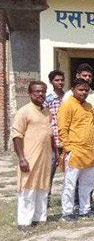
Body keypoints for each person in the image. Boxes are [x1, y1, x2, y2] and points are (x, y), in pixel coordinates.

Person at [13, 81, 56, 230]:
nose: (40, 94)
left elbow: (50, 134)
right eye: (37, 91)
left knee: (42, 187)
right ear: (29, 93)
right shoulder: (24, 111)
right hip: (29, 157)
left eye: (43, 91)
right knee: (28, 188)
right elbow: (17, 136)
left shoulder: (47, 111)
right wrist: (21, 158)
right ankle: (24, 222)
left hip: (45, 157)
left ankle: (39, 218)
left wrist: (55, 153)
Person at [58, 78, 94, 221]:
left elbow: (93, 126)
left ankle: (84, 210)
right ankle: (67, 212)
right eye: (80, 89)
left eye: (86, 90)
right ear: (73, 90)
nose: (83, 92)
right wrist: (68, 148)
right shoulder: (67, 105)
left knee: (87, 184)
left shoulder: (89, 106)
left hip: (90, 151)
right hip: (75, 151)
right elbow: (62, 129)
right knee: (70, 184)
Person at [45, 70, 65, 188]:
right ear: (51, 82)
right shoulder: (48, 99)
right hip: (53, 139)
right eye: (57, 80)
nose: (60, 82)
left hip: (67, 139)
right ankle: (46, 195)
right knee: (50, 169)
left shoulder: (68, 97)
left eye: (62, 80)